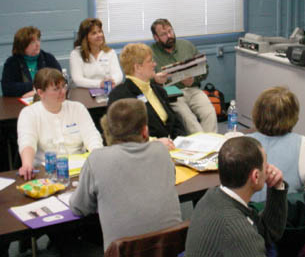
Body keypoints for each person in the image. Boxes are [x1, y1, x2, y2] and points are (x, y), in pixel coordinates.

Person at [69, 98, 182, 251]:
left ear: (107, 130)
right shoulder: (161, 151)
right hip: (169, 250)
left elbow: (79, 207)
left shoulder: (96, 160)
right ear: (145, 130)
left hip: (123, 251)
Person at [185, 136, 288, 257]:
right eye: (265, 165)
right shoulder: (240, 235)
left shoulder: (212, 196)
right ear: (255, 176)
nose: (269, 169)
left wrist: (277, 187)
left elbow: (268, 232)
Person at [17, 68, 103, 180]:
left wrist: (98, 157)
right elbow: (27, 142)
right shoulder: (29, 113)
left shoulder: (77, 108)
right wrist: (27, 164)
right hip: (47, 173)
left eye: (63, 86)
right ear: (40, 93)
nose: (63, 92)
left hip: (80, 171)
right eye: (56, 89)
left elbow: (92, 136)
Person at [248, 86, 305, 202]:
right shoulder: (303, 143)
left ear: (256, 113)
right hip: (287, 215)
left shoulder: (243, 143)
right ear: (294, 115)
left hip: (246, 216)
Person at [150, 18, 217, 134]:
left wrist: (193, 80)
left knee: (209, 112)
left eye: (170, 31)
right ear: (156, 37)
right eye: (164, 34)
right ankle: (201, 146)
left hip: (192, 89)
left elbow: (204, 68)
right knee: (188, 118)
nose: (169, 36)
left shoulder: (186, 45)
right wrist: (155, 79)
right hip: (171, 93)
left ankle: (210, 146)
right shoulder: (151, 52)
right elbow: (144, 79)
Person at [108, 43, 186, 139]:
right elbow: (125, 135)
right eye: (150, 61)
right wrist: (155, 143)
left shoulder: (159, 91)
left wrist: (181, 141)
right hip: (146, 150)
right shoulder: (120, 95)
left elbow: (175, 122)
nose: (155, 64)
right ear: (138, 67)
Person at [1, 26, 61, 97]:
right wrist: (34, 86)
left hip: (47, 99)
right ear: (22, 45)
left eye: (38, 40)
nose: (37, 45)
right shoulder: (12, 62)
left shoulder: (48, 58)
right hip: (19, 102)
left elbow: (60, 79)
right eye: (32, 42)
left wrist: (35, 90)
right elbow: (7, 88)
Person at [70, 18, 123, 89]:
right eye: (94, 33)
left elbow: (118, 74)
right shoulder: (76, 54)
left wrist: (112, 82)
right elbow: (77, 79)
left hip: (108, 87)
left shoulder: (110, 52)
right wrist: (100, 84)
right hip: (86, 90)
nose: (99, 35)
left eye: (100, 31)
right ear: (86, 37)